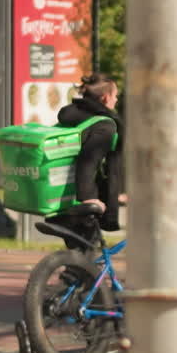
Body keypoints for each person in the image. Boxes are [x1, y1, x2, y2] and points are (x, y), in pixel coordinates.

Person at [57, 73, 124, 233]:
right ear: (106, 98)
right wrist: (88, 199)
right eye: (115, 96)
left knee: (84, 254)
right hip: (84, 202)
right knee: (89, 250)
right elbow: (88, 161)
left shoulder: (76, 117)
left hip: (65, 196)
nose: (116, 100)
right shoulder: (104, 126)